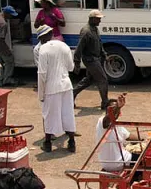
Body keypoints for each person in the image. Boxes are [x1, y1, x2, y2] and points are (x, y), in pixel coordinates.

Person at [37, 25, 76, 153]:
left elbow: (42, 73)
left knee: (49, 115)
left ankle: (47, 143)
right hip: (66, 85)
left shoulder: (43, 49)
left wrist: (41, 94)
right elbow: (71, 67)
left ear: (43, 37)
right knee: (68, 114)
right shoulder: (64, 46)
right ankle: (71, 142)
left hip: (51, 87)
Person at [73, 10, 109, 111]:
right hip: (90, 60)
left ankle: (72, 94)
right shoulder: (86, 32)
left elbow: (99, 43)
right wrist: (77, 63)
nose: (100, 21)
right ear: (92, 19)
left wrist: (104, 54)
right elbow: (79, 48)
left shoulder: (95, 29)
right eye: (98, 19)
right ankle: (105, 103)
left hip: (95, 58)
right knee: (103, 79)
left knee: (89, 80)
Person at [95, 94, 141, 171]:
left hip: (112, 161)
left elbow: (130, 137)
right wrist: (118, 107)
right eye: (113, 108)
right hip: (118, 161)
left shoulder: (118, 124)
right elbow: (109, 118)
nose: (115, 110)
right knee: (146, 160)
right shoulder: (102, 121)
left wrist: (144, 140)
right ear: (107, 110)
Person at [0, 5, 20, 87]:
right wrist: (7, 49)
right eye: (11, 15)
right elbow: (1, 39)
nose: (11, 17)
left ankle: (0, 80)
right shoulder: (3, 24)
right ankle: (7, 79)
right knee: (9, 60)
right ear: (6, 13)